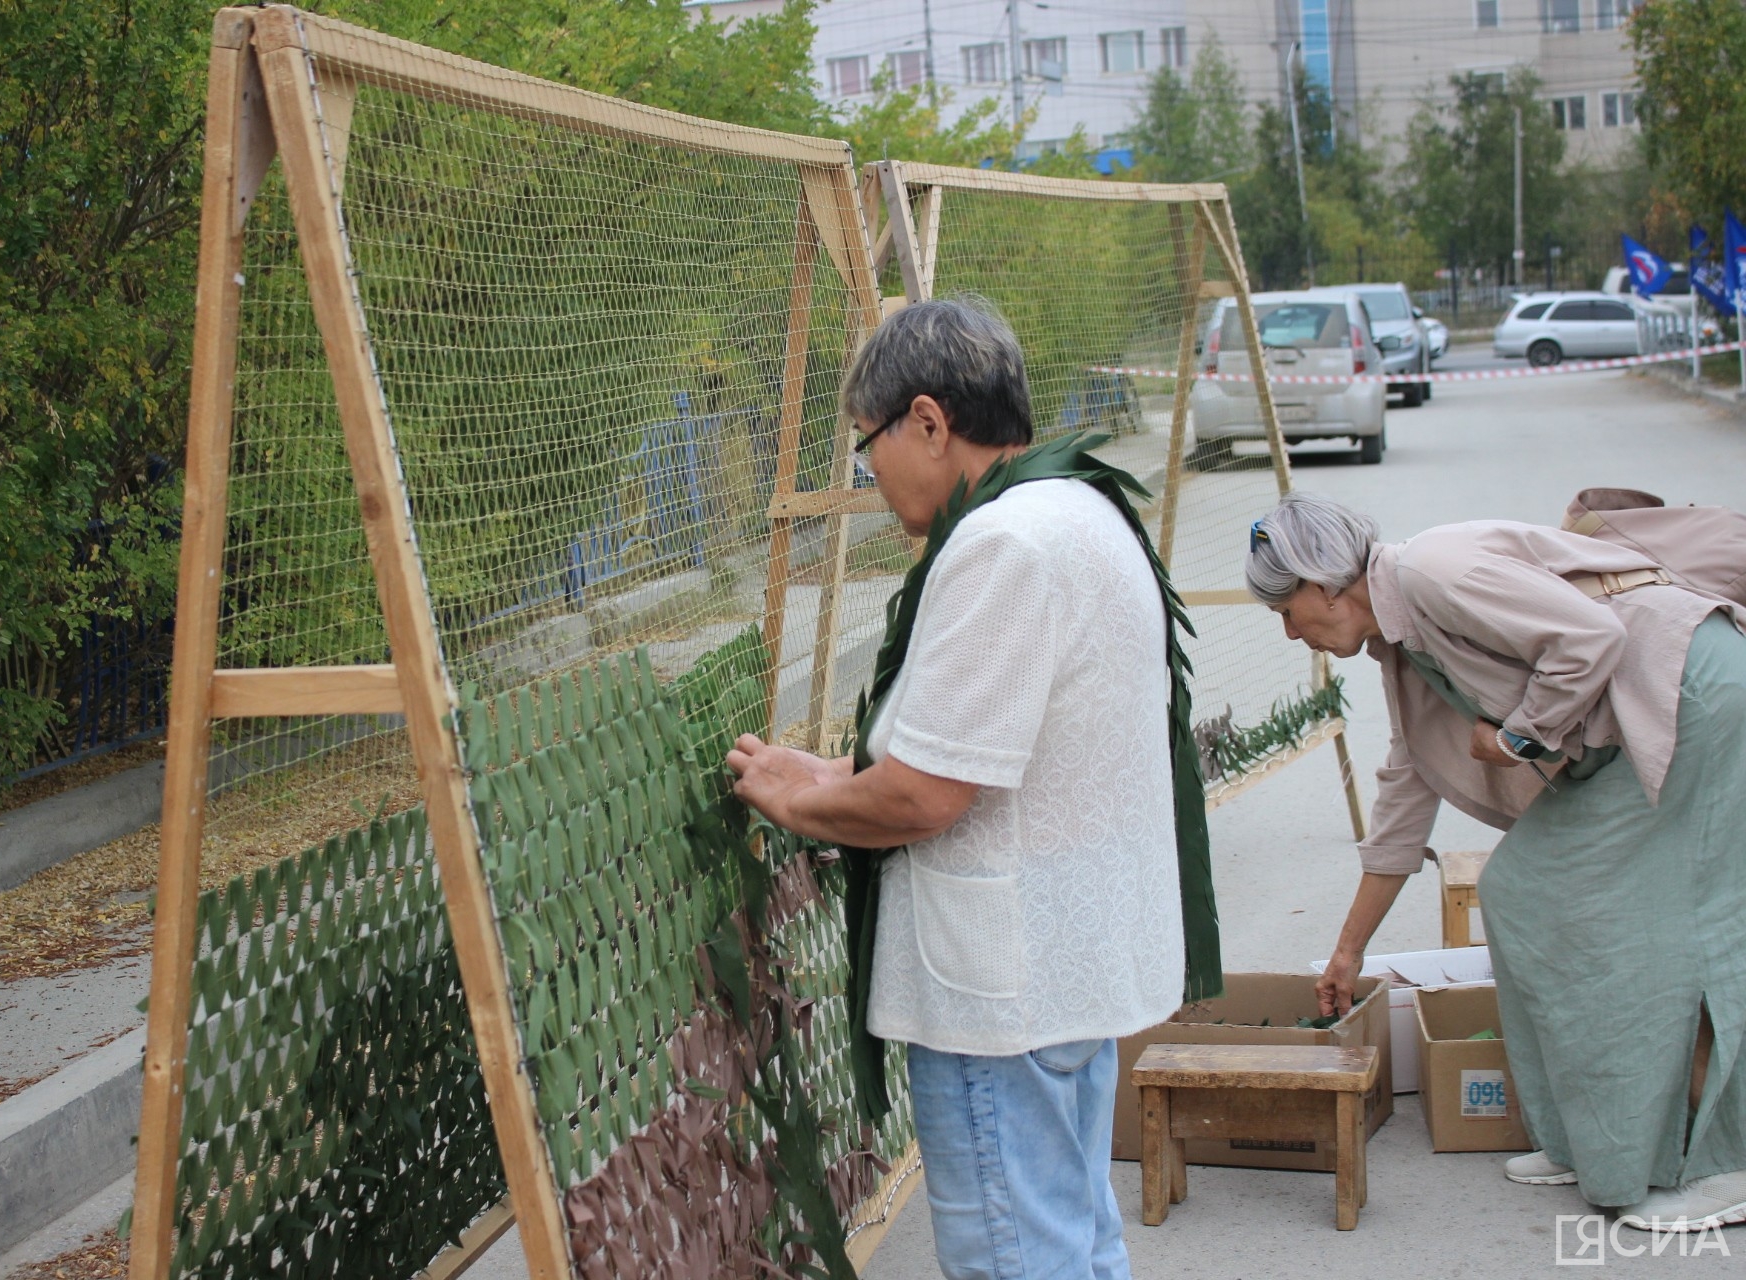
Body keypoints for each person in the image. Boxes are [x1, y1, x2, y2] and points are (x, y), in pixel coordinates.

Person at [726, 297, 1215, 1280]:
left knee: (1017, 1255)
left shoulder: (1003, 545)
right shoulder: (1077, 507)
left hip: (1004, 996)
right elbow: (994, 752)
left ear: (927, 422)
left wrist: (799, 803)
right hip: (1066, 972)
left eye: (866, 446)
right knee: (1074, 1238)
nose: (867, 476)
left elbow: (924, 798)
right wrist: (829, 773)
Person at [1244, 491, 1746, 1231]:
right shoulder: (1403, 640)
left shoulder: (1432, 571)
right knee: (1519, 891)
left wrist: (1519, 735)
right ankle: (1592, 1138)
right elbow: (1404, 802)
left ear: (1322, 586)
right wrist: (1347, 953)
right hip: (1649, 713)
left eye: (1287, 611)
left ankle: (1724, 1164)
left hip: (1692, 698)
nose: (1292, 633)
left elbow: (1589, 635)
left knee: (1680, 930)